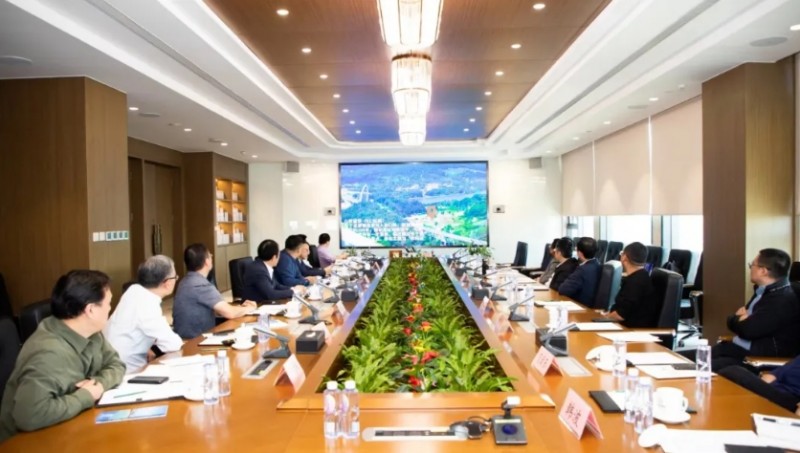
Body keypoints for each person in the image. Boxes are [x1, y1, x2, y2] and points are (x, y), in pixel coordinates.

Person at [0, 270, 125, 442]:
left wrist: (98, 384)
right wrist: (86, 395)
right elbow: (29, 416)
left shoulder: (90, 332)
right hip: (27, 441)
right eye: (108, 303)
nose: (111, 308)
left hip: (71, 425)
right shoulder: (49, 353)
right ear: (90, 310)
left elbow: (116, 365)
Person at [697, 248, 800, 371]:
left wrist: (737, 319)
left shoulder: (781, 300)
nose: (750, 268)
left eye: (752, 265)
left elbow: (748, 330)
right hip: (737, 349)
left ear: (763, 271)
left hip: (754, 358)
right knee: (685, 360)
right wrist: (739, 320)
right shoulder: (763, 291)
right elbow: (743, 324)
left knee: (698, 368)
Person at [104, 255, 183, 373]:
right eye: (175, 277)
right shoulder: (147, 303)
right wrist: (155, 349)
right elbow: (173, 343)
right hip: (129, 372)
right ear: (167, 283)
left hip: (112, 365)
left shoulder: (133, 291)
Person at [172, 244, 257, 339]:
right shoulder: (201, 285)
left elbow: (216, 309)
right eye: (210, 255)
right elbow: (230, 313)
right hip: (196, 340)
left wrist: (239, 308)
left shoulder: (185, 281)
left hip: (185, 337)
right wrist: (249, 308)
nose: (211, 257)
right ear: (207, 261)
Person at [719, 355, 800, 414]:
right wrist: (761, 387)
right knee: (728, 369)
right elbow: (774, 375)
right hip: (774, 390)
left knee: (735, 372)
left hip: (791, 401)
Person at [605, 242, 659, 327]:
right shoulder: (640, 276)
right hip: (625, 326)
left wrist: (603, 318)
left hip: (631, 329)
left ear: (624, 257)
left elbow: (620, 315)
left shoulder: (636, 282)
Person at [557, 237, 602, 307]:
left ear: (580, 253)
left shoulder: (582, 270)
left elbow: (563, 289)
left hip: (580, 306)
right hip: (592, 306)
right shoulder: (599, 265)